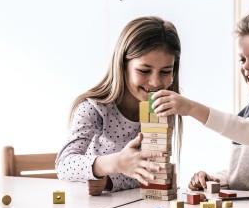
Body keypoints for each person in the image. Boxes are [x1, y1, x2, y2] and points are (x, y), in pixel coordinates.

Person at [151, 0, 249, 191]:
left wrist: (191, 108)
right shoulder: (248, 112)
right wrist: (217, 179)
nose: (247, 67)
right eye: (242, 60)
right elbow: (244, 171)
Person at [56, 16, 182, 193]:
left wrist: (109, 182)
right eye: (144, 71)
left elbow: (148, 175)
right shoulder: (94, 108)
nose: (155, 82)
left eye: (166, 71)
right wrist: (116, 163)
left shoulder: (162, 107)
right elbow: (64, 166)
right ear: (122, 66)